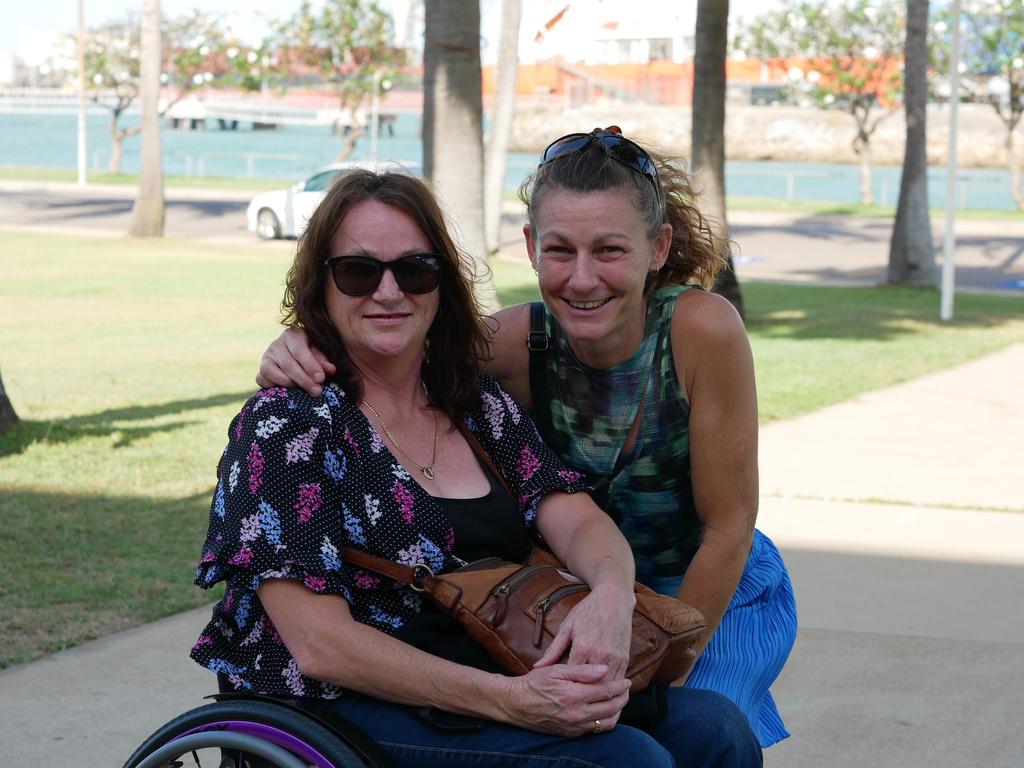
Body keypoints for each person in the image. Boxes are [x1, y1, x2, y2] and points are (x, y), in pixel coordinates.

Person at [194, 167, 763, 767]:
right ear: (322, 284)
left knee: (712, 729)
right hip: (340, 705)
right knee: (626, 761)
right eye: (359, 271)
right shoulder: (287, 426)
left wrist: (611, 595)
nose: (389, 293)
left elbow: (577, 519)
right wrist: (515, 701)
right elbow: (320, 646)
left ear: (441, 284)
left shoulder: (473, 404)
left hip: (485, 663)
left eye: (414, 269)